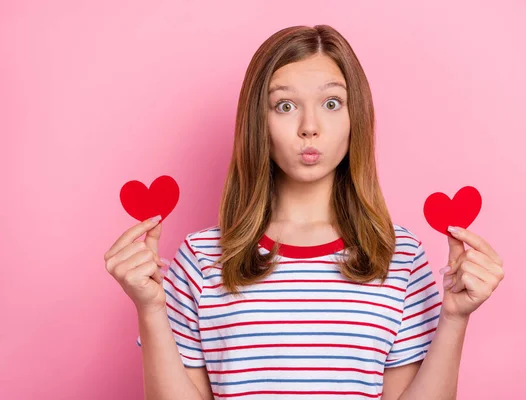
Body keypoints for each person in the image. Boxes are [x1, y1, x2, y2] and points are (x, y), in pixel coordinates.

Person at [104, 24, 504, 400]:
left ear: (355, 118)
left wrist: (454, 319)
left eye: (331, 103)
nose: (309, 126)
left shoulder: (399, 255)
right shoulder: (202, 258)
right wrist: (150, 309)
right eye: (285, 105)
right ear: (257, 123)